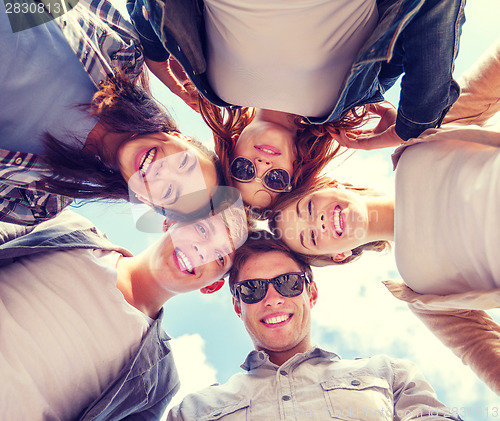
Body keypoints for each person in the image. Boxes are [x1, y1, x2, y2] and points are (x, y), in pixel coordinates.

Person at [269, 41, 500, 394]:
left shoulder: (420, 145)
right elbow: (483, 354)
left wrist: (413, 123)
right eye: (311, 237)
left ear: (335, 185)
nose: (318, 223)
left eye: (309, 208)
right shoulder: (421, 291)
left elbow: (491, 75)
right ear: (339, 256)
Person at [126, 0, 465, 209]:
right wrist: (412, 126)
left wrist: (158, 59)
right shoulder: (347, 98)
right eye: (274, 180)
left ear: (230, 151)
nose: (260, 165)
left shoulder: (215, 88)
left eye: (244, 171)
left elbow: (153, 8)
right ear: (297, 168)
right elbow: (435, 12)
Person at [0, 187, 248, 420]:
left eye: (219, 256)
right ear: (170, 221)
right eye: (203, 229)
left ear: (212, 286)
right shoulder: (67, 226)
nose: (202, 249)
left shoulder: (161, 382)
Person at [167, 232, 461, 420]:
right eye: (253, 289)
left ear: (312, 293)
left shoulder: (391, 375)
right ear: (237, 306)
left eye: (288, 283)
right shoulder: (192, 411)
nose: (273, 299)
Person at [0, 0, 221, 226]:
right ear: (180, 137)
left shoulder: (38, 201)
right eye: (184, 163)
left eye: (170, 192)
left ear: (145, 200)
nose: (164, 172)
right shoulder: (122, 53)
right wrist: (157, 56)